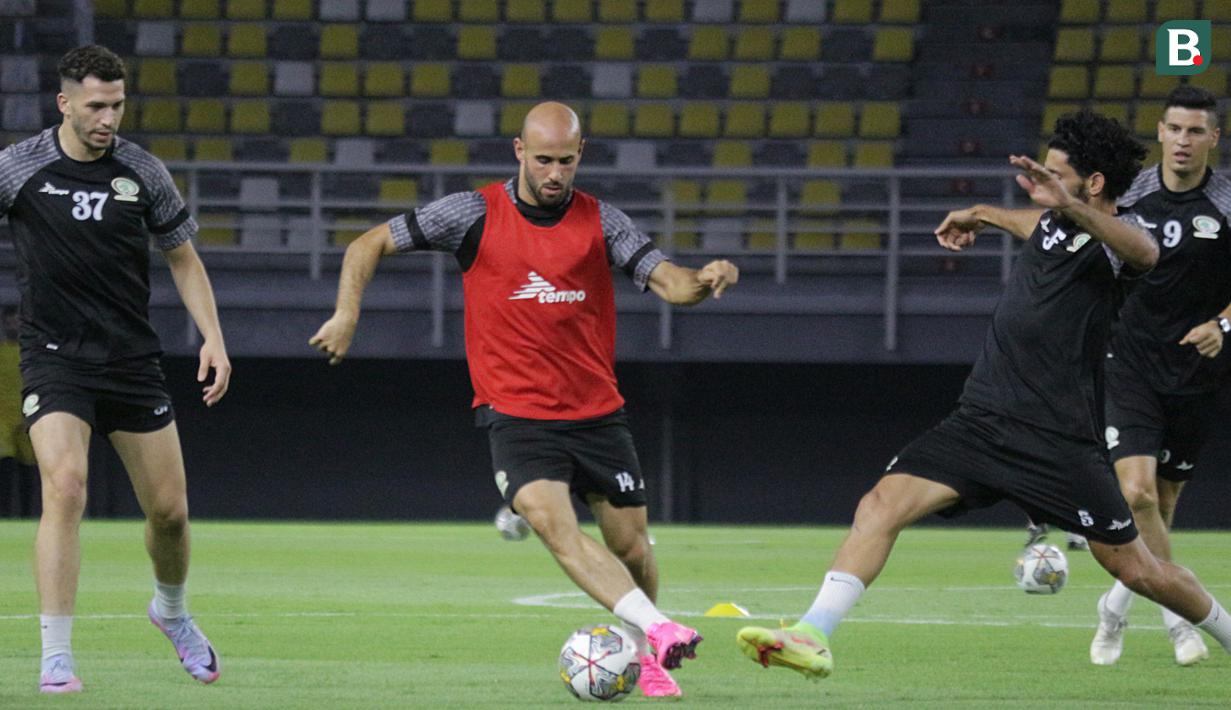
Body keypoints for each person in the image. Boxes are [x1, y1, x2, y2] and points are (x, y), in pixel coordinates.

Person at [734, 111, 1231, 679]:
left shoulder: (1118, 239)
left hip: (1058, 443)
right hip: (981, 422)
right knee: (879, 505)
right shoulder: (1054, 223)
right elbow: (1031, 224)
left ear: (1093, 185)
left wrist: (1065, 205)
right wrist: (983, 215)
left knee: (1138, 570)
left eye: (1055, 175)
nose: (1041, 184)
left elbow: (1145, 253)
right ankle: (812, 634)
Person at [311, 101, 736, 699]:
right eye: (543, 160)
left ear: (580, 154)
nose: (555, 173)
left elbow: (671, 282)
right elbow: (366, 244)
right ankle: (662, 627)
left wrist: (705, 279)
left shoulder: (602, 221)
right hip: (516, 415)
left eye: (565, 160)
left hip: (596, 414)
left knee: (632, 547)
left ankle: (646, 656)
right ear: (519, 151)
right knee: (552, 525)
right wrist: (347, 313)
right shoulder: (470, 213)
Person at [0, 45, 231, 693]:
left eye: (118, 104)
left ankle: (172, 613)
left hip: (131, 360)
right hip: (54, 360)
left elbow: (183, 257)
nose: (109, 117)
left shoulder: (142, 172)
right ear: (64, 103)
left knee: (170, 515)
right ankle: (56, 656)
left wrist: (213, 336)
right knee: (66, 486)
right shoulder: (18, 169)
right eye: (96, 105)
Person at [1086, 85, 1231, 667]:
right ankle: (1181, 624)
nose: (1182, 140)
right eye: (1174, 128)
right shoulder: (1131, 195)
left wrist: (1225, 323)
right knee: (1137, 494)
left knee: (1161, 509)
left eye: (1196, 131)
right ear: (1161, 133)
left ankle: (1114, 609)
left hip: (1196, 373)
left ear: (1212, 140)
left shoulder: (1226, 201)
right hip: (1131, 363)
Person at [0, 305, 39, 517]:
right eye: (8, 321)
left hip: (27, 416)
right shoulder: (1, 352)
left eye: (16, 320)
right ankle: (5, 515)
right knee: (5, 466)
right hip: (2, 419)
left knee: (29, 468)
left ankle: (27, 515)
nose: (12, 325)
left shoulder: (32, 352)